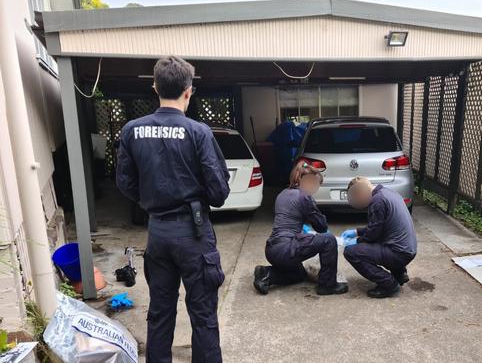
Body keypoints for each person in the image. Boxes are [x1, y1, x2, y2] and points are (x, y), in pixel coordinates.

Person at [116, 56, 230, 363]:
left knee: (160, 313)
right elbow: (219, 192)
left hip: (158, 233)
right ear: (189, 91)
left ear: (155, 87)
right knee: (203, 315)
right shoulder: (198, 132)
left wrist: (151, 200)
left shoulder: (131, 131)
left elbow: (125, 183)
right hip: (194, 234)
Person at [253, 161, 348, 296]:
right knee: (329, 240)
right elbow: (321, 227)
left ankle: (266, 274)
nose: (316, 188)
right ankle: (328, 285)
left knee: (299, 274)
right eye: (315, 184)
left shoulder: (283, 194)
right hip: (286, 249)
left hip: (272, 250)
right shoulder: (304, 197)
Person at [341, 176, 417, 298]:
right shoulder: (387, 193)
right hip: (407, 249)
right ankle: (399, 273)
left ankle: (388, 283)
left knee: (351, 252)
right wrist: (356, 232)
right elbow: (380, 227)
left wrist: (357, 241)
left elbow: (373, 235)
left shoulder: (377, 201)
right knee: (381, 243)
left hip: (398, 252)